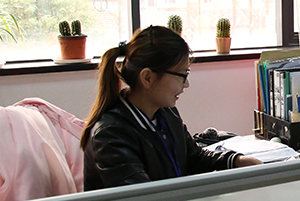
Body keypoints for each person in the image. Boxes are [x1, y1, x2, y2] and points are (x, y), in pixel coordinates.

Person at [82, 26, 260, 190]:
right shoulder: (111, 135)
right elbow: (143, 199)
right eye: (182, 75)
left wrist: (237, 161)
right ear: (148, 78)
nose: (186, 84)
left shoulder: (165, 112)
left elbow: (193, 158)